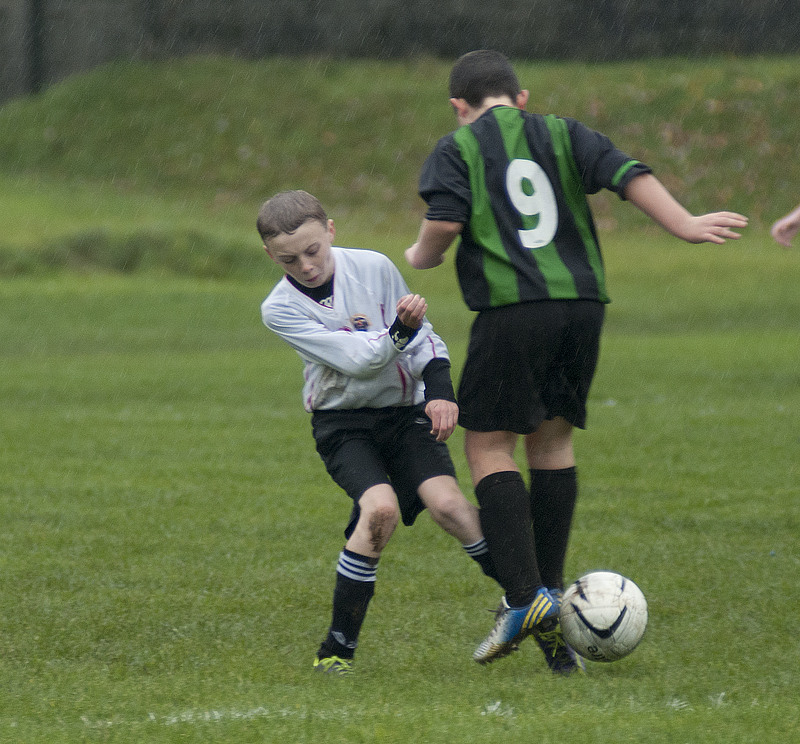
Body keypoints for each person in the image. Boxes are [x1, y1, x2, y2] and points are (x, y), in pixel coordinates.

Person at [405, 50, 748, 673]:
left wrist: (419, 253)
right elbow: (627, 173)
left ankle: (523, 598)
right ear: (522, 96)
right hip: (584, 306)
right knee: (553, 446)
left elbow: (446, 223)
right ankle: (553, 620)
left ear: (460, 106)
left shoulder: (457, 147)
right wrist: (685, 222)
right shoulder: (564, 132)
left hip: (513, 309)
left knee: (487, 448)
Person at [258, 190, 500, 676]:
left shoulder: (373, 267)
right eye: (289, 259)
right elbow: (361, 362)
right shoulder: (279, 308)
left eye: (313, 251)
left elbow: (424, 336)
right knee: (380, 513)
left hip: (404, 415)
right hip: (343, 426)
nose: (305, 265)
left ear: (331, 231)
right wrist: (397, 334)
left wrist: (440, 391)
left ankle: (531, 601)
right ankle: (336, 650)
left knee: (451, 505)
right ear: (270, 256)